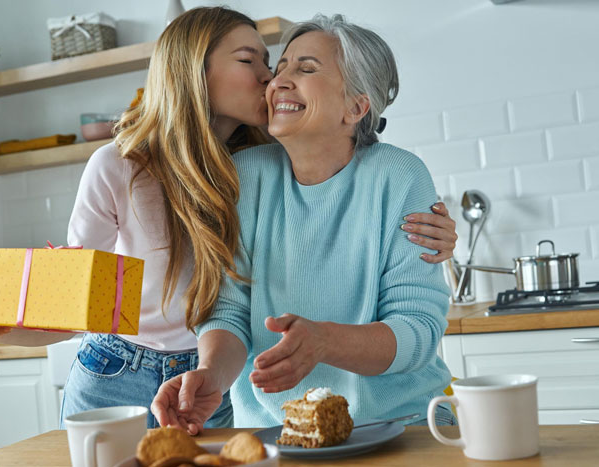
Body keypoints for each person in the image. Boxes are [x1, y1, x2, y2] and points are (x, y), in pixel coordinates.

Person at [0, 8, 457, 430]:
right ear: (194, 70)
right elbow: (86, 301)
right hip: (125, 368)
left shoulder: (263, 158)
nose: (270, 76)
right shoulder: (130, 167)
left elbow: (403, 298)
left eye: (275, 63)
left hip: (224, 380)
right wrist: (0, 327)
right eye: (252, 60)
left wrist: (428, 233)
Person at [151, 14, 456, 435]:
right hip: (277, 432)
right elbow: (229, 311)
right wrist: (212, 377)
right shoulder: (246, 174)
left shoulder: (399, 176)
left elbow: (418, 330)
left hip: (403, 427)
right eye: (282, 68)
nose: (278, 81)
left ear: (355, 107)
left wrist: (326, 342)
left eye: (307, 69)